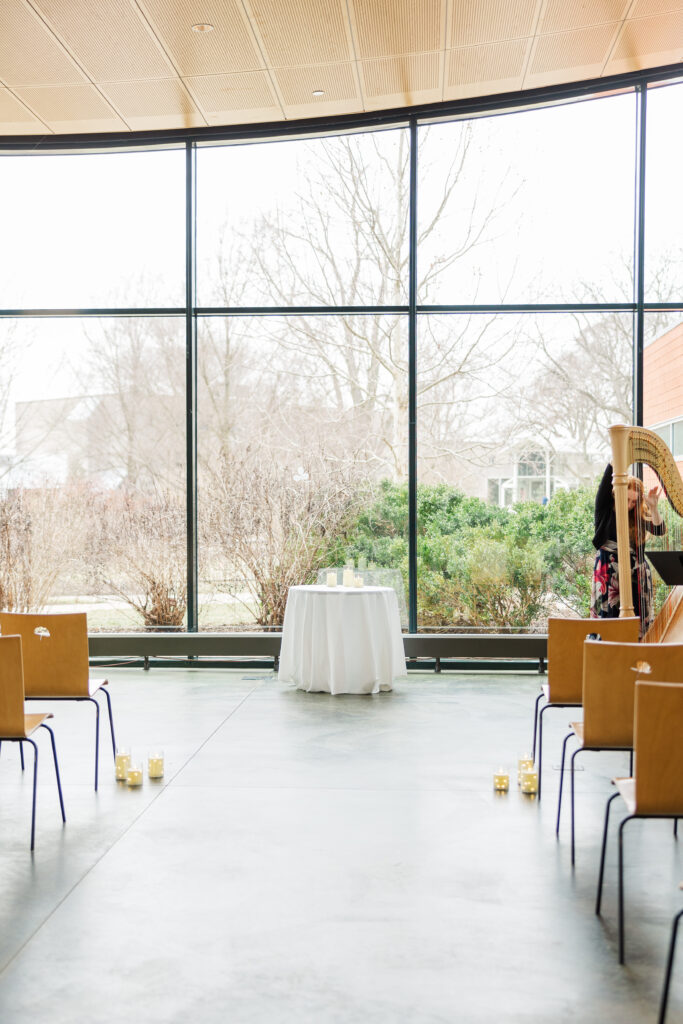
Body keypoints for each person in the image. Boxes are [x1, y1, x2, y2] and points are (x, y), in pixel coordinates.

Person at [590, 462, 665, 634]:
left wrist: (653, 507)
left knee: (636, 623)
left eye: (634, 501)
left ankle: (636, 656)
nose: (630, 504)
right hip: (608, 571)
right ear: (617, 495)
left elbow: (660, 530)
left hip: (636, 573)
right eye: (627, 499)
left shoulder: (637, 516)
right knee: (608, 620)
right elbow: (607, 475)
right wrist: (619, 457)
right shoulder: (604, 510)